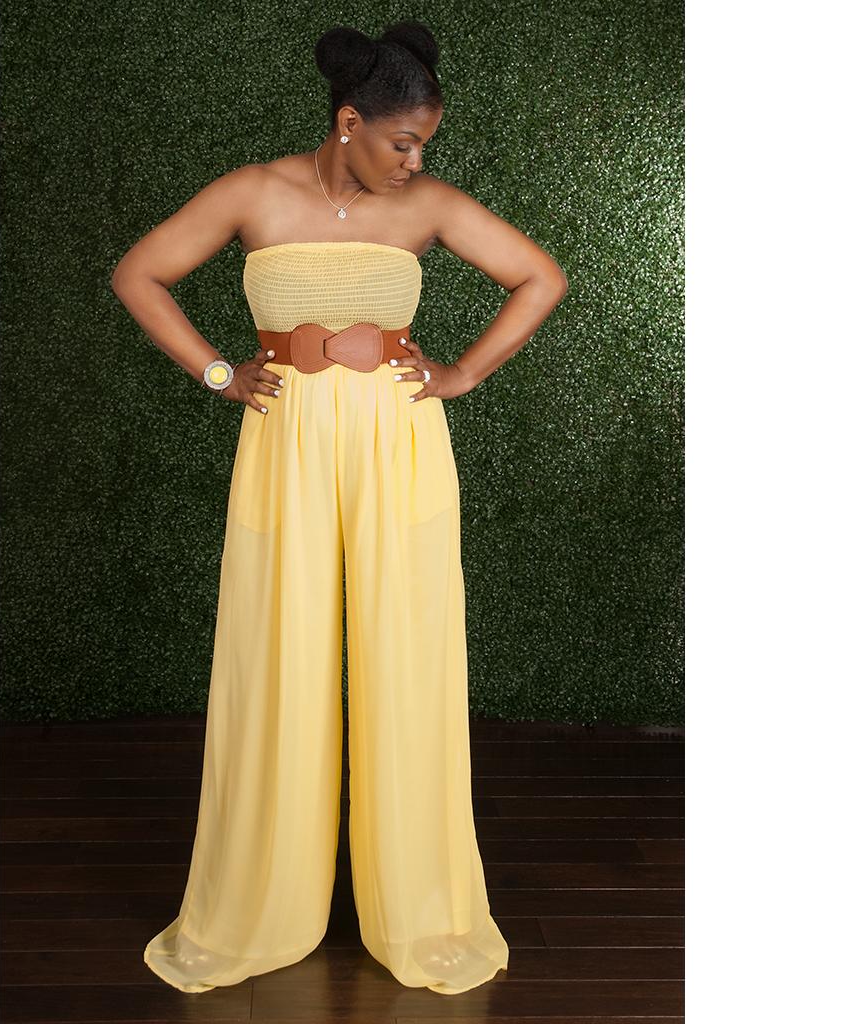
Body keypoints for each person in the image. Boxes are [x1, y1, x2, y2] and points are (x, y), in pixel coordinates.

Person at [111, 21, 567, 996]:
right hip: (284, 444)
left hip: (398, 442)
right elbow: (137, 274)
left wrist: (460, 375)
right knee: (278, 650)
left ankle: (419, 906)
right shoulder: (252, 192)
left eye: (423, 146)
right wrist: (219, 371)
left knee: (406, 653)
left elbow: (542, 279)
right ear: (349, 121)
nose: (414, 162)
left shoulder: (430, 204)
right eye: (402, 142)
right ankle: (262, 907)